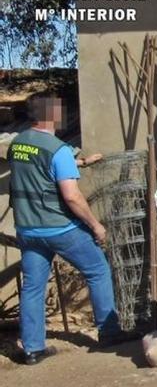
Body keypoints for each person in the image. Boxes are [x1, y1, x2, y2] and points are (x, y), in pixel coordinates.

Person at [8, 93, 125, 365]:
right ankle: (109, 333)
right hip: (59, 229)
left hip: (28, 230)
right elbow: (71, 196)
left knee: (33, 288)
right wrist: (96, 226)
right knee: (97, 270)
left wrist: (79, 163)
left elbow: (38, 169)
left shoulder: (17, 144)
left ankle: (33, 349)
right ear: (51, 115)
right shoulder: (58, 150)